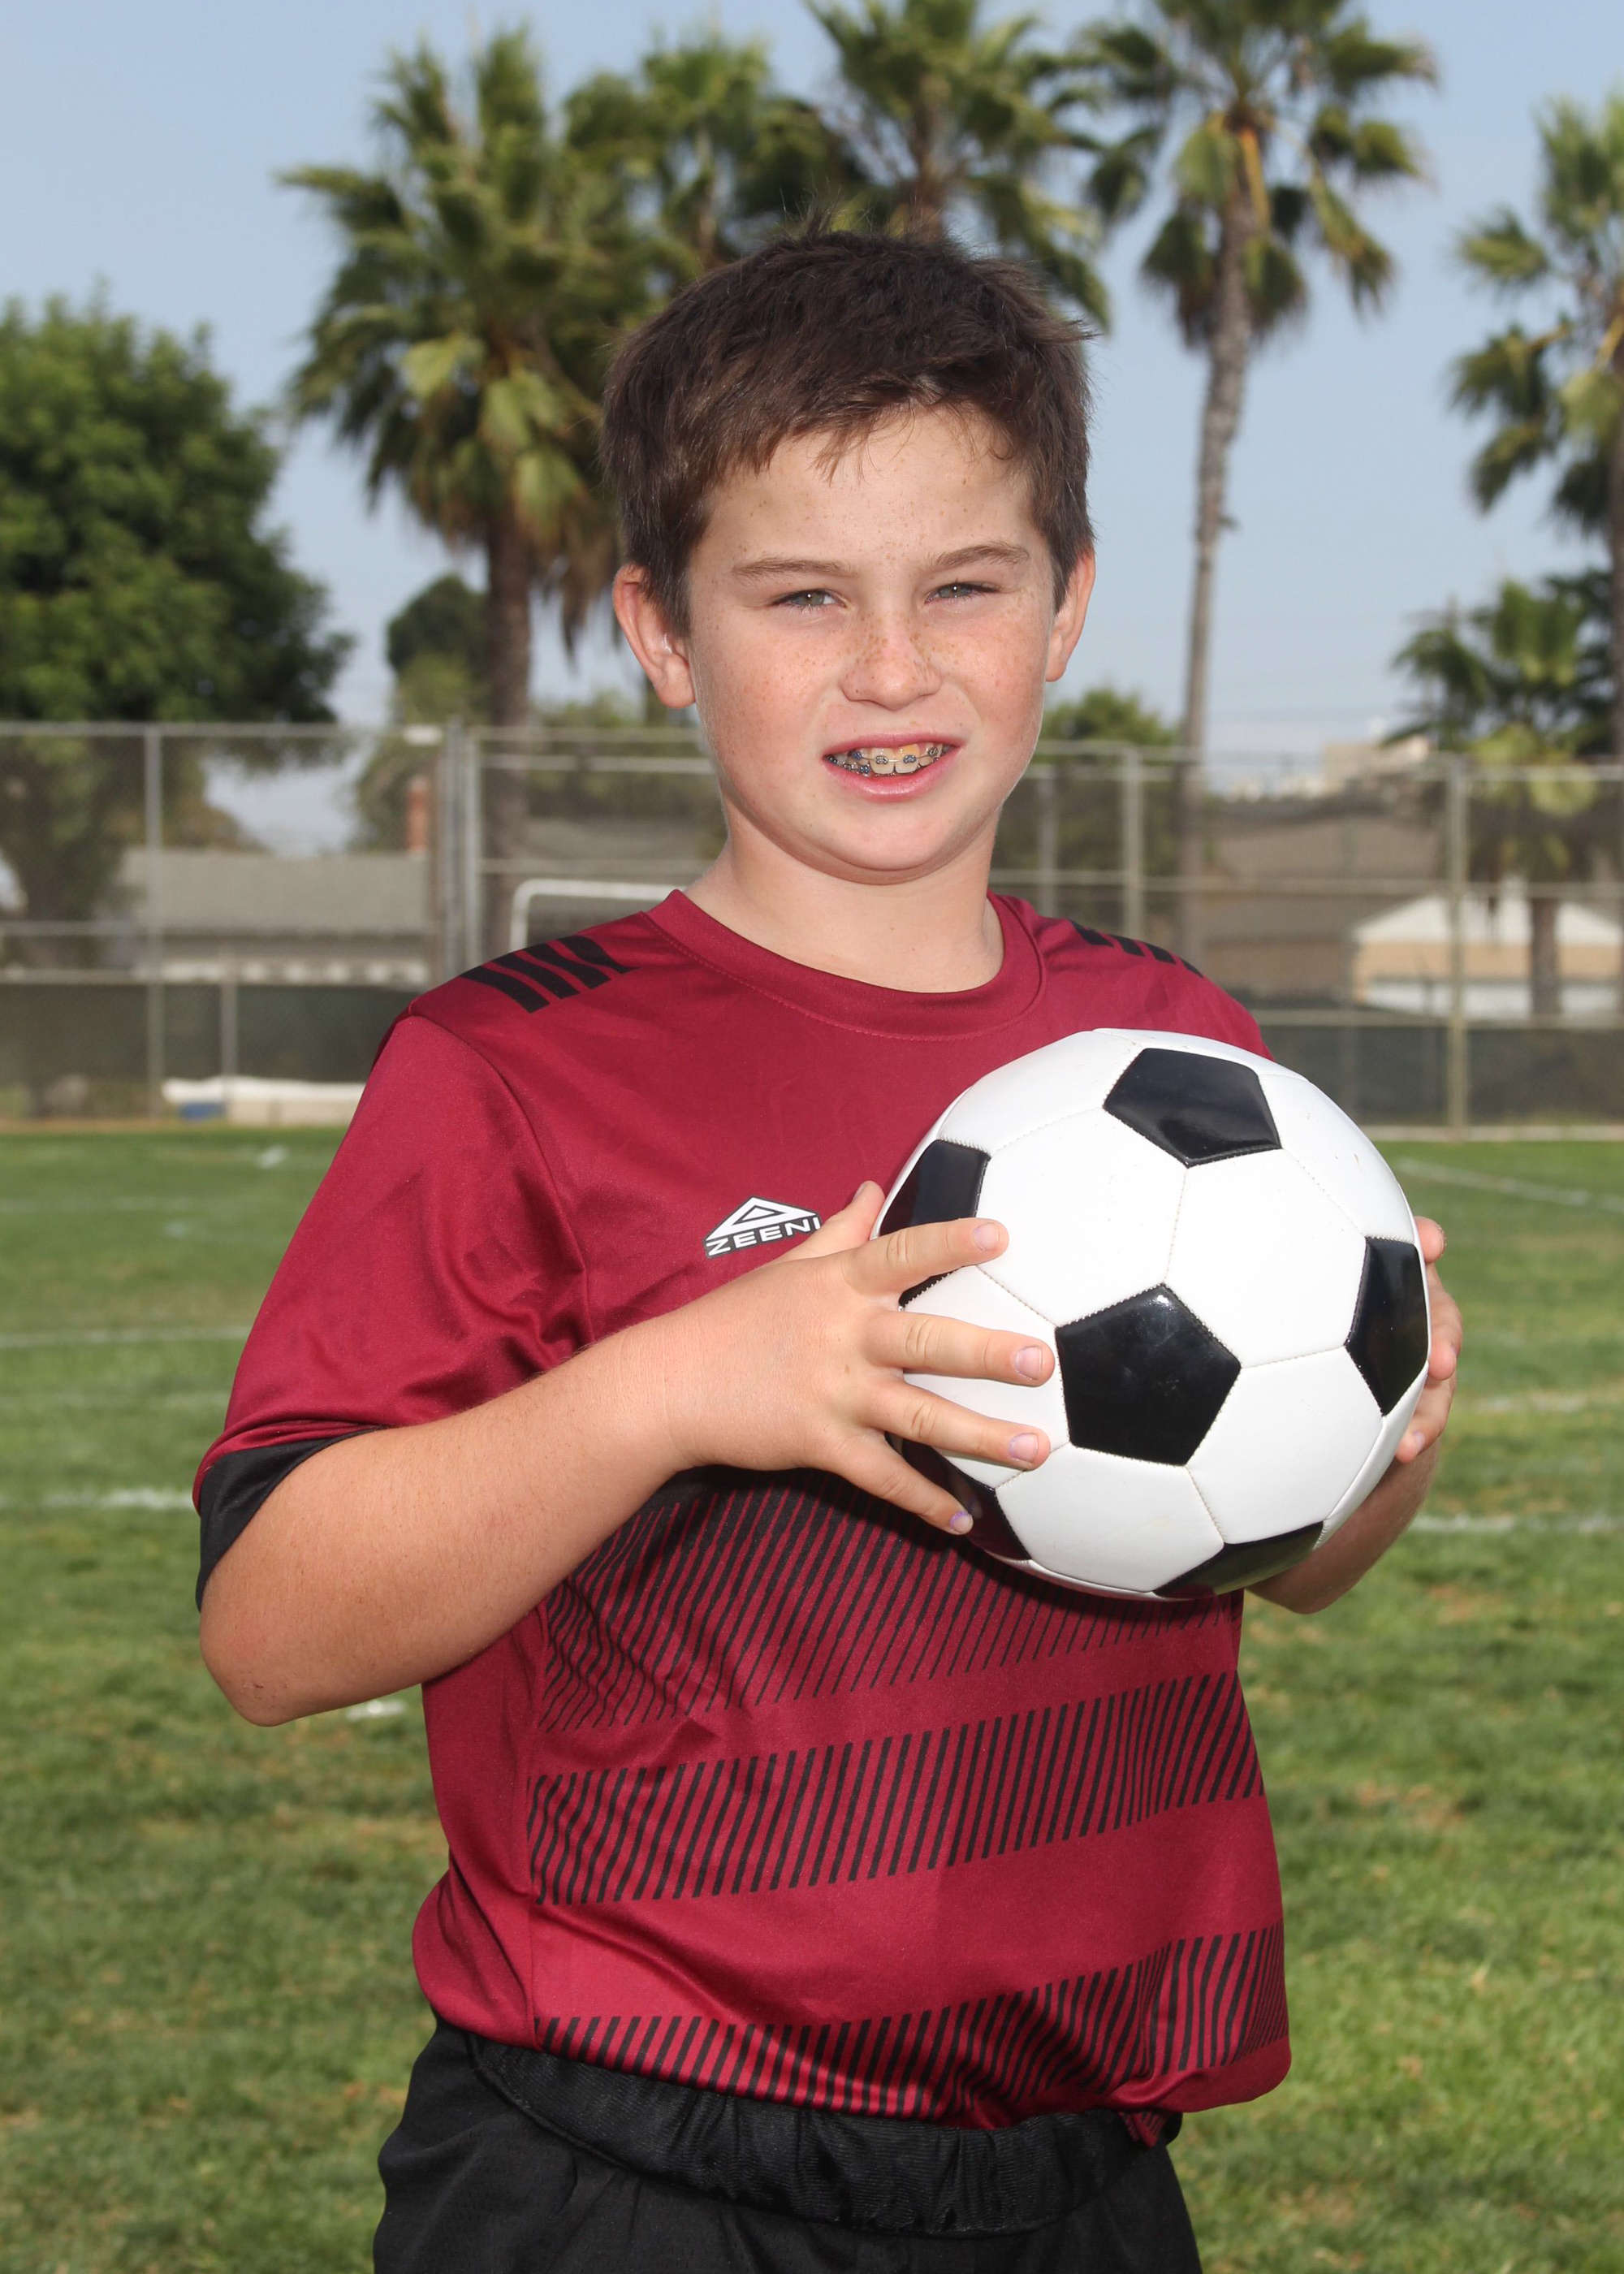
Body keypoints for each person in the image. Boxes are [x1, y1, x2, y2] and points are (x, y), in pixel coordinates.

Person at [196, 230, 1461, 2273]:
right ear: (661, 630)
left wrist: (1378, 1414)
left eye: (964, 585)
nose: (892, 666)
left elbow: (1294, 1561)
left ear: (1066, 605)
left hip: (1076, 2172)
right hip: (628, 2166)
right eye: (801, 596)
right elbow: (271, 1631)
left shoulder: (1181, 1050)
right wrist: (673, 1387)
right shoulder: (515, 1067)